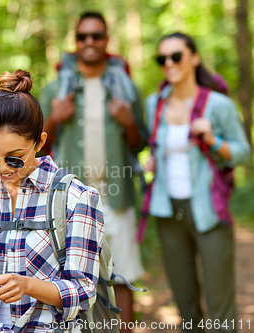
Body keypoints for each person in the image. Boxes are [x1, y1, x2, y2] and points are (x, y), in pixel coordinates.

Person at [0, 70, 104, 332]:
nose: (1, 168)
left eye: (14, 158)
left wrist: (28, 286)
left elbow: (84, 291)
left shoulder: (76, 198)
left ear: (40, 143)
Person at [40, 11, 147, 331]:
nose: (90, 42)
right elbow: (35, 145)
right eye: (83, 36)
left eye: (96, 36)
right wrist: (55, 117)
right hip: (69, 202)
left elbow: (140, 143)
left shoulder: (125, 89)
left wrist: (129, 122)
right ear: (75, 42)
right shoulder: (56, 90)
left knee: (123, 275)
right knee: (68, 277)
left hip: (116, 198)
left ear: (106, 40)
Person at [144, 32, 251, 333]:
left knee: (220, 305)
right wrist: (153, 161)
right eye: (162, 58)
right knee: (185, 303)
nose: (168, 63)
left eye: (176, 56)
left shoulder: (217, 105)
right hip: (167, 211)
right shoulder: (155, 104)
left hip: (209, 211)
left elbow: (243, 154)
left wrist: (214, 139)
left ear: (194, 58)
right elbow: (157, 147)